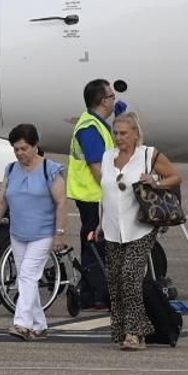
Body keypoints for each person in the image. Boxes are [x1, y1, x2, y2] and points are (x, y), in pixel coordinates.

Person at [98, 113, 182, 351]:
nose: (119, 138)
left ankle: (136, 333)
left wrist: (156, 183)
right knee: (114, 281)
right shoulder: (107, 157)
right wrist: (100, 223)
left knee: (130, 278)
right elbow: (105, 194)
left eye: (124, 133)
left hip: (140, 226)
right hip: (113, 227)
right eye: (116, 133)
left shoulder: (148, 154)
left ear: (135, 133)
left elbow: (176, 177)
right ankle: (123, 330)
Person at [0, 124, 68, 341]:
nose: (19, 153)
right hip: (18, 233)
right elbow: (3, 199)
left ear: (35, 146)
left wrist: (59, 233)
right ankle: (39, 325)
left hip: (43, 233)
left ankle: (21, 323)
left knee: (27, 276)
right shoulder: (11, 169)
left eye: (23, 148)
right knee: (27, 279)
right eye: (16, 149)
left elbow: (61, 203)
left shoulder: (49, 170)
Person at [69, 79, 116, 309]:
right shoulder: (89, 128)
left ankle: (89, 292)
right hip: (92, 196)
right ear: (102, 101)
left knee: (92, 243)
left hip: (93, 195)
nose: (114, 101)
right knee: (95, 244)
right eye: (111, 97)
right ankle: (97, 294)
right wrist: (113, 191)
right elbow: (97, 166)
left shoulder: (97, 123)